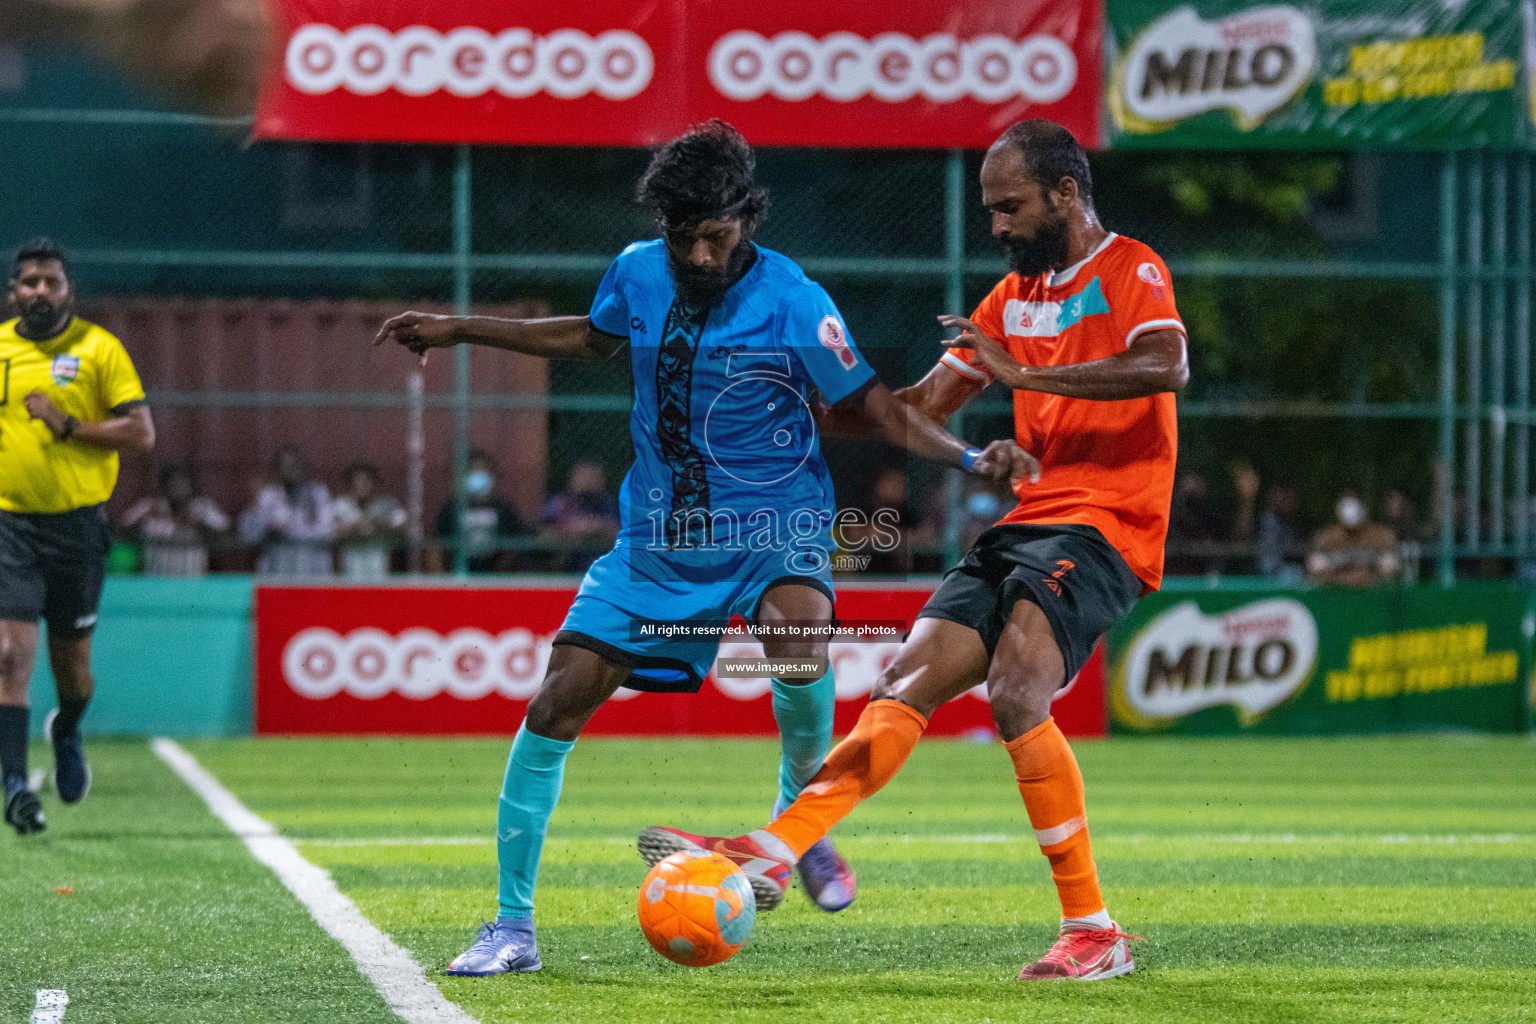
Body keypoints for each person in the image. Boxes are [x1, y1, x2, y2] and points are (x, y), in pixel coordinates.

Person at [375, 120, 1030, 976]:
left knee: (797, 644)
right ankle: (512, 929)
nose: (701, 256)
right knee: (554, 704)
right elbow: (593, 337)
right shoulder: (638, 270)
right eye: (684, 239)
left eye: (716, 238)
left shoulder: (794, 297)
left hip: (776, 525)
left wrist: (977, 456)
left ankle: (800, 826)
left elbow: (877, 406)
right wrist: (461, 329)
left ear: (746, 218)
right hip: (660, 537)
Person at [641, 119, 1189, 982]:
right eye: (990, 209)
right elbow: (920, 405)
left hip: (1109, 522)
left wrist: (1022, 376)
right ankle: (775, 850)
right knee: (905, 680)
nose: (998, 226)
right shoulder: (1007, 303)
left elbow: (1165, 367)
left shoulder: (1132, 268)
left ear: (1066, 194)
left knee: (1016, 692)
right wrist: (821, 399)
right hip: (1026, 522)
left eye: (1010, 207)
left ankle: (1093, 930)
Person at [0, 238, 155, 835]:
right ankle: (15, 787)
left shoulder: (98, 348)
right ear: (14, 291)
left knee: (75, 676)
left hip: (77, 530)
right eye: (29, 282)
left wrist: (67, 425)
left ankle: (66, 729)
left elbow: (142, 434)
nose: (40, 291)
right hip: (10, 525)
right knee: (9, 655)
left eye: (51, 282)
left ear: (69, 290)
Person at [119, 462, 229, 576]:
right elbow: (123, 530)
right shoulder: (149, 506)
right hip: (154, 579)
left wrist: (198, 525)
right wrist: (144, 519)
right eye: (173, 483)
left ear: (191, 486)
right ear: (164, 486)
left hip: (192, 579)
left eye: (182, 483)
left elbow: (226, 533)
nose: (178, 488)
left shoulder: (201, 508)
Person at [237, 447, 334, 576]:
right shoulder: (268, 494)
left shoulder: (318, 493)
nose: (290, 471)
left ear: (302, 467)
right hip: (278, 564)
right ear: (277, 471)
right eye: (284, 466)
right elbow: (251, 533)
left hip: (311, 563)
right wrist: (269, 531)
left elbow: (326, 530)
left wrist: (289, 530)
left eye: (293, 465)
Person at [430, 450, 529, 574]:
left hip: (495, 577)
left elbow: (514, 546)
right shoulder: (451, 508)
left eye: (483, 471)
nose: (478, 476)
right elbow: (437, 547)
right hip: (459, 576)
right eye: (473, 471)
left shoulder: (504, 509)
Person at [1306, 489, 1399, 587]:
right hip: (1334, 593)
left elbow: (1391, 568)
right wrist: (1342, 578)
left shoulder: (1381, 536)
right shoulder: (1326, 537)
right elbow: (1315, 568)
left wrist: (1366, 576)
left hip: (1373, 594)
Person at [332, 461, 406, 580]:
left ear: (374, 483)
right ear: (350, 485)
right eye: (357, 483)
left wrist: (380, 524)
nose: (362, 487)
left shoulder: (386, 504)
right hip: (352, 557)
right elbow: (330, 532)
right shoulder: (341, 505)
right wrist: (353, 527)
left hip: (378, 556)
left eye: (366, 482)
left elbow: (404, 527)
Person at [541, 461, 619, 573]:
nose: (588, 481)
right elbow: (544, 536)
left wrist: (600, 526)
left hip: (604, 567)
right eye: (583, 475)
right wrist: (568, 530)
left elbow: (623, 535)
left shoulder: (609, 504)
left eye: (593, 476)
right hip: (567, 567)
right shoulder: (559, 503)